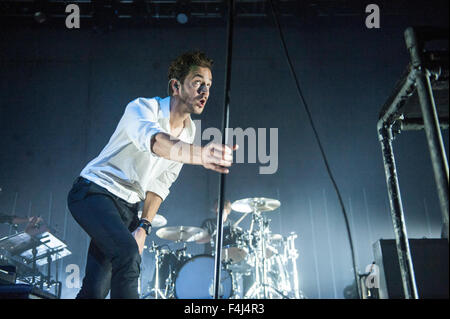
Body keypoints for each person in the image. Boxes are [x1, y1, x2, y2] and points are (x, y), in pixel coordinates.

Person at [67, 51, 238, 299]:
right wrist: (201, 155)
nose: (205, 91)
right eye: (198, 82)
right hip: (93, 191)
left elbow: (160, 183)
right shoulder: (142, 108)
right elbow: (156, 141)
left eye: (209, 85)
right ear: (175, 86)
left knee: (95, 290)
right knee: (127, 255)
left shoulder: (189, 134)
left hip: (127, 208)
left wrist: (143, 227)